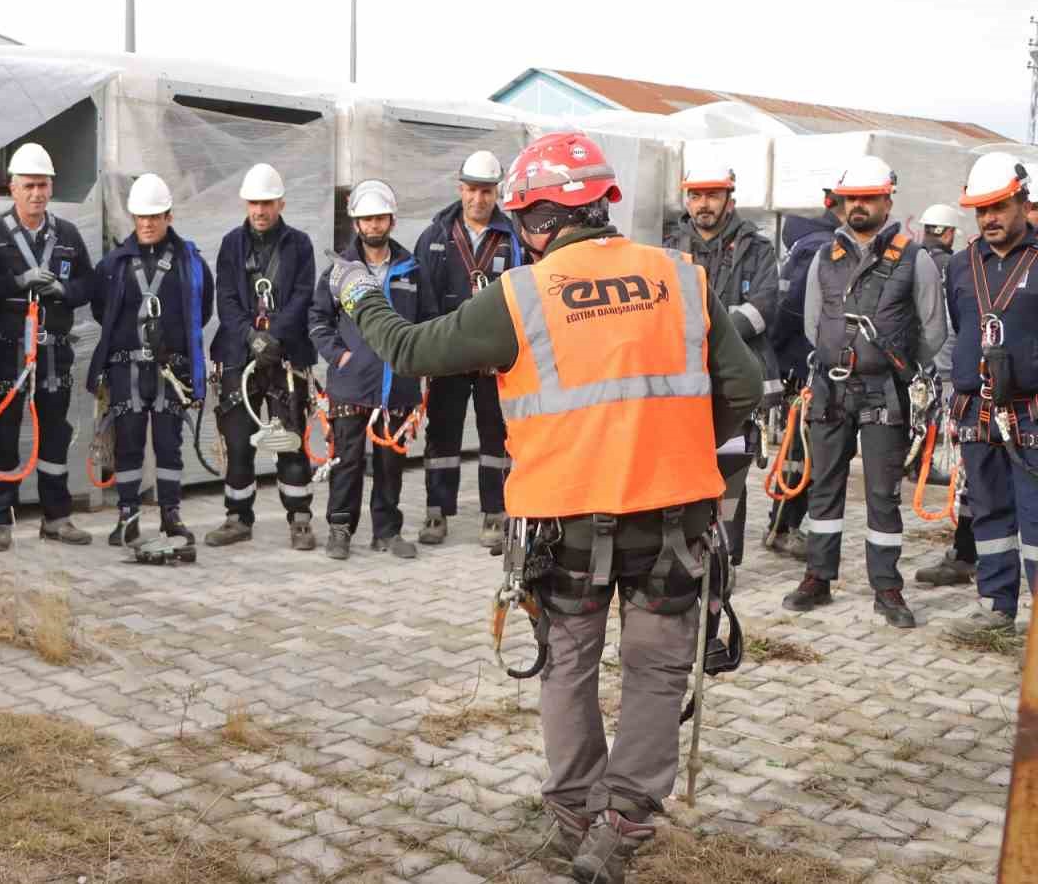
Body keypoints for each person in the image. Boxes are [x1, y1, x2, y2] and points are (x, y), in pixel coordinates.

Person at [327, 132, 760, 883]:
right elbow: (746, 389)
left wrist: (359, 296)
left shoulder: (521, 296)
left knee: (567, 665)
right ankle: (623, 823)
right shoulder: (683, 278)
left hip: (566, 527)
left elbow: (410, 350)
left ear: (531, 222)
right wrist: (677, 442)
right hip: (671, 522)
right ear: (601, 205)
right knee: (657, 671)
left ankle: (573, 810)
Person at [784, 156, 946, 628]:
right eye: (852, 198)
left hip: (884, 394)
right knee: (825, 487)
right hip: (832, 390)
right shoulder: (823, 257)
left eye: (868, 198)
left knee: (881, 494)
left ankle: (887, 587)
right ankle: (818, 576)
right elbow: (815, 325)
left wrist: (893, 366)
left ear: (887, 199)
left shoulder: (915, 259)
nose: (858, 206)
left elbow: (933, 330)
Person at [0, 143, 95, 549]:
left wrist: (63, 288)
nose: (37, 194)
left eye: (43, 186)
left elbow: (88, 286)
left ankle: (56, 518)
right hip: (8, 350)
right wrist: (16, 283)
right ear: (13, 188)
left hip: (53, 351)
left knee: (54, 435)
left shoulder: (67, 235)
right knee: (3, 433)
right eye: (29, 186)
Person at [87, 173, 213, 548]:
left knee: (168, 442)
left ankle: (171, 516)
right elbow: (101, 310)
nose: (146, 223)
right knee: (127, 443)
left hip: (170, 369)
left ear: (169, 216)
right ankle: (128, 516)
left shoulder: (190, 263)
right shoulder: (114, 264)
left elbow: (202, 311)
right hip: (126, 368)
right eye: (140, 216)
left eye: (154, 216)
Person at [942, 154, 1038, 637]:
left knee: (1036, 515)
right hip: (976, 410)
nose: (989, 219)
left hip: (1032, 413)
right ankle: (996, 606)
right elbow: (960, 329)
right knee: (990, 512)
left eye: (999, 206)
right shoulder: (961, 265)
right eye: (981, 211)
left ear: (1023, 201)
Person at [664, 166, 778, 566]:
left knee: (729, 475)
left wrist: (705, 329)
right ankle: (684, 555)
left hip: (732, 381)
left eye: (712, 195)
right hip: (681, 383)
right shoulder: (667, 250)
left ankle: (725, 560)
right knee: (679, 470)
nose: (703, 204)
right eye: (696, 196)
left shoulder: (758, 250)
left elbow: (764, 308)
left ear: (730, 199)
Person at [308, 179, 422, 561]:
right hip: (350, 385)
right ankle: (340, 528)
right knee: (347, 461)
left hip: (399, 385)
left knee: (391, 463)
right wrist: (340, 357)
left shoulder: (412, 269)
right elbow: (319, 320)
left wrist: (421, 363)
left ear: (391, 220)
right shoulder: (339, 272)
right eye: (366, 219)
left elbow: (429, 320)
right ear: (356, 224)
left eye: (380, 218)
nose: (374, 225)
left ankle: (387, 532)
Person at [206, 162, 318, 550]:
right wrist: (250, 336)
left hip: (286, 358)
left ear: (281, 203)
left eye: (267, 203)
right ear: (245, 203)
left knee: (289, 440)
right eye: (254, 203)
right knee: (238, 442)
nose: (260, 210)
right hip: (240, 356)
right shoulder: (230, 246)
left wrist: (273, 336)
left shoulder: (299, 245)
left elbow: (304, 294)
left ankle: (300, 518)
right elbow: (227, 299)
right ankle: (237, 517)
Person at [413, 151, 522, 549]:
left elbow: (523, 296)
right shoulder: (435, 237)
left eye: (487, 191)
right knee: (442, 433)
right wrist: (430, 350)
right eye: (472, 189)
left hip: (495, 359)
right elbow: (424, 298)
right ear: (460, 189)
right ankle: (437, 512)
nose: (479, 198)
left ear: (498, 193)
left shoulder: (513, 238)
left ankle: (495, 512)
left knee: (497, 434)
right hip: (449, 354)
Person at [764, 187, 846, 557]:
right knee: (803, 450)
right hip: (809, 367)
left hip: (800, 364)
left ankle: (786, 523)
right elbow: (795, 310)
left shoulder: (807, 243)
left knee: (801, 447)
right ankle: (783, 526)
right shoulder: (821, 247)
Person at [914, 202, 976, 589]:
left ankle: (969, 554)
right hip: (974, 387)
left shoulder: (921, 260)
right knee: (976, 477)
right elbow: (955, 326)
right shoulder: (966, 264)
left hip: (973, 383)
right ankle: (967, 553)